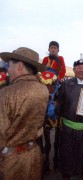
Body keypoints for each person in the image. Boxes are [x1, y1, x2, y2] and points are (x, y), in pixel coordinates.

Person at [0, 47, 49, 179]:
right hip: (34, 154)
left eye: (9, 65)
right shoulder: (43, 89)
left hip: (11, 160)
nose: (7, 69)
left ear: (20, 65)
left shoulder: (7, 93)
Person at [58, 58, 83, 179]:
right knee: (67, 156)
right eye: (79, 68)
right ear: (74, 70)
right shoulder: (66, 84)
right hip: (68, 128)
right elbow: (59, 104)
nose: (82, 70)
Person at [41, 41, 66, 172]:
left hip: (56, 83)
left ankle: (57, 157)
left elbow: (63, 71)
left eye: (55, 48)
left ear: (58, 50)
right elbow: (42, 71)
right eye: (51, 48)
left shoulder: (60, 59)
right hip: (46, 82)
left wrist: (58, 79)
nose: (53, 50)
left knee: (62, 94)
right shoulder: (45, 59)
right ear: (49, 49)